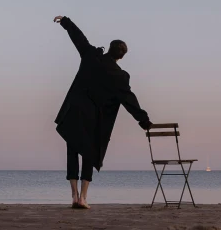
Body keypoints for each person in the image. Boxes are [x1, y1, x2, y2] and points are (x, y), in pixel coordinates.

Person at [53, 15, 152, 209]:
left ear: (109, 48)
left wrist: (66, 21)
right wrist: (144, 121)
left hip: (74, 111)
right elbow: (129, 100)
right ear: (121, 56)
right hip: (93, 118)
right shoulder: (120, 76)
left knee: (72, 150)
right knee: (89, 153)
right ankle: (83, 198)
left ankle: (73, 196)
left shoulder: (91, 55)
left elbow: (78, 38)